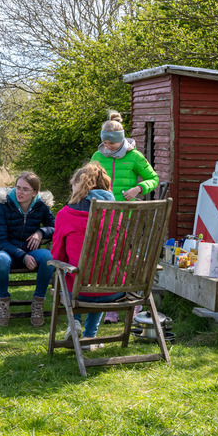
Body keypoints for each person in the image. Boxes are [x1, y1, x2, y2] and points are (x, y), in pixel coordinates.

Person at [91, 110, 158, 323]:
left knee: (129, 259)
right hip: (104, 215)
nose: (107, 146)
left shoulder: (134, 156)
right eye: (105, 142)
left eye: (111, 143)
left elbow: (153, 178)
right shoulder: (97, 156)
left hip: (129, 216)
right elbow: (88, 180)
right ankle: (112, 304)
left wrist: (138, 189)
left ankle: (134, 302)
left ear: (120, 140)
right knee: (108, 258)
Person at [50, 162, 126, 348]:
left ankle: (74, 323)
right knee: (100, 274)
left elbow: (57, 255)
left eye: (73, 185)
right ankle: (90, 337)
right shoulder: (116, 212)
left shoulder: (65, 214)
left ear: (79, 186)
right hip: (114, 289)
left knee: (76, 274)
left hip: (80, 292)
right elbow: (123, 250)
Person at [0, 171, 55, 327]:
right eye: (18, 187)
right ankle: (3, 301)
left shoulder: (41, 206)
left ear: (34, 192)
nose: (20, 192)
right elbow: (0, 241)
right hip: (8, 253)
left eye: (25, 189)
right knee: (0, 259)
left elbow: (55, 227)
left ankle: (38, 303)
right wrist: (22, 256)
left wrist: (41, 232)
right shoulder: (4, 205)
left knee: (48, 257)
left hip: (32, 252)